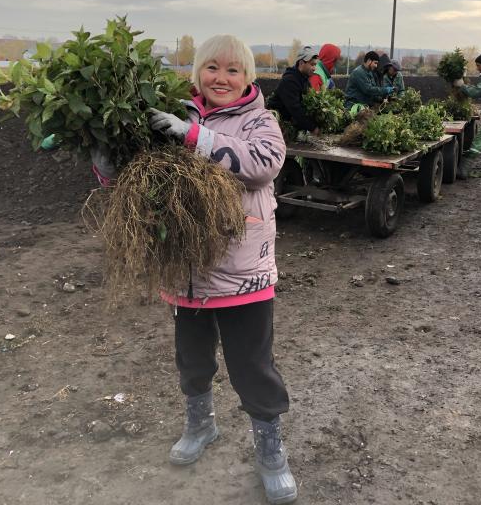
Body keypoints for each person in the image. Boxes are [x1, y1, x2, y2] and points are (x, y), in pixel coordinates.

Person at [92, 35, 297, 505]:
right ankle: (201, 424)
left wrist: (192, 135)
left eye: (232, 70)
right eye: (211, 68)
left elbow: (261, 166)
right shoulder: (172, 111)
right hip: (186, 275)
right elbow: (140, 175)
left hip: (243, 275)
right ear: (196, 73)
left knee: (252, 366)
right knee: (192, 360)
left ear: (248, 78)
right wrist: (106, 163)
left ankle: (271, 452)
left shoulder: (261, 123)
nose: (220, 78)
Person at [268, 46, 319, 133]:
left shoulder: (304, 79)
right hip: (275, 123)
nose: (314, 68)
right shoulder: (289, 81)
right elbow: (295, 109)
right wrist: (313, 128)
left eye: (315, 65)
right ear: (302, 63)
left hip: (290, 121)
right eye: (312, 64)